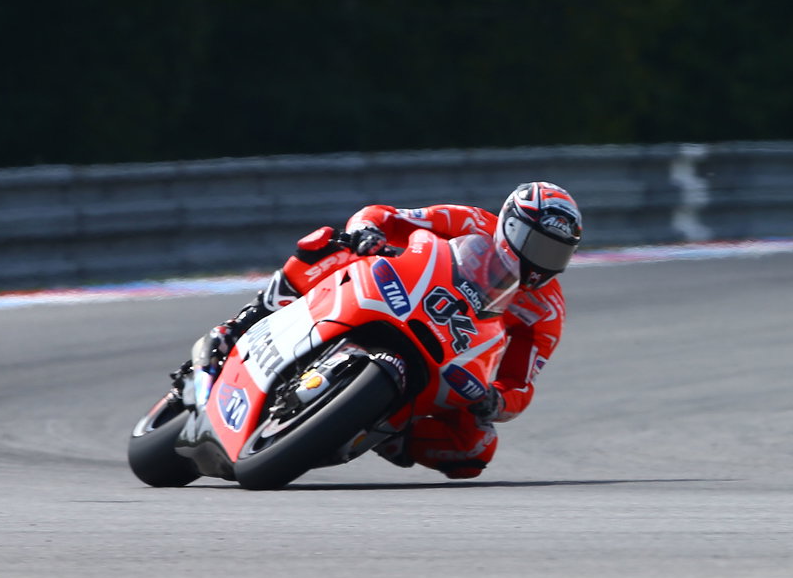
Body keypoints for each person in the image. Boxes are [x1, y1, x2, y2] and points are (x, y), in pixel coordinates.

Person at [177, 181, 584, 479]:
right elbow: (390, 216)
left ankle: (387, 431)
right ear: (511, 227)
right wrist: (367, 232)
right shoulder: (469, 221)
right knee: (331, 245)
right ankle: (243, 323)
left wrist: (497, 402)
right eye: (537, 246)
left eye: (555, 254)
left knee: (476, 449)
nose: (541, 263)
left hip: (453, 349)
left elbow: (521, 382)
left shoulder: (547, 310)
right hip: (404, 292)